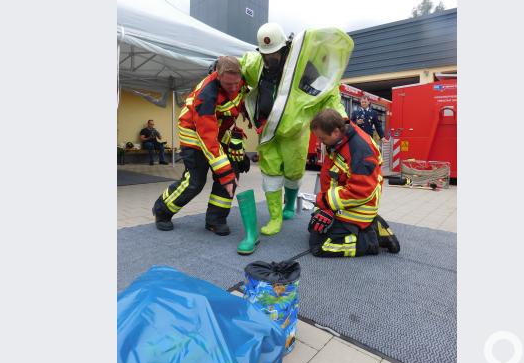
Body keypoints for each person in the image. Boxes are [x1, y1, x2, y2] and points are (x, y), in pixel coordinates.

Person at [238, 22, 353, 237]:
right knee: (270, 174)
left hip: (295, 134)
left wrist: (342, 118)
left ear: (284, 49)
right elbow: (241, 63)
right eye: (265, 55)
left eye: (273, 55)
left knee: (293, 172)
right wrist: (220, 66)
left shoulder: (303, 67)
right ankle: (275, 218)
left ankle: (289, 205)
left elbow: (327, 92)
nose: (269, 59)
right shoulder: (258, 64)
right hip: (267, 133)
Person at [152, 56, 250, 235]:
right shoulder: (206, 94)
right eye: (229, 85)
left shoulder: (239, 80)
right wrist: (224, 173)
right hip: (194, 135)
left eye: (237, 83)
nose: (235, 88)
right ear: (218, 76)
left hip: (218, 131)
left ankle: (215, 220)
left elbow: (238, 103)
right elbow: (208, 138)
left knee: (232, 175)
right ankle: (162, 210)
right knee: (195, 181)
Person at [307, 109, 400, 257]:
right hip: (347, 203)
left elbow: (359, 192)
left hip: (360, 205)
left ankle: (370, 242)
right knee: (314, 227)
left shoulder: (359, 150)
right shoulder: (342, 136)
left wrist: (324, 201)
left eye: (322, 138)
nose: (320, 142)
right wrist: (326, 208)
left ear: (336, 132)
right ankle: (373, 226)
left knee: (318, 246)